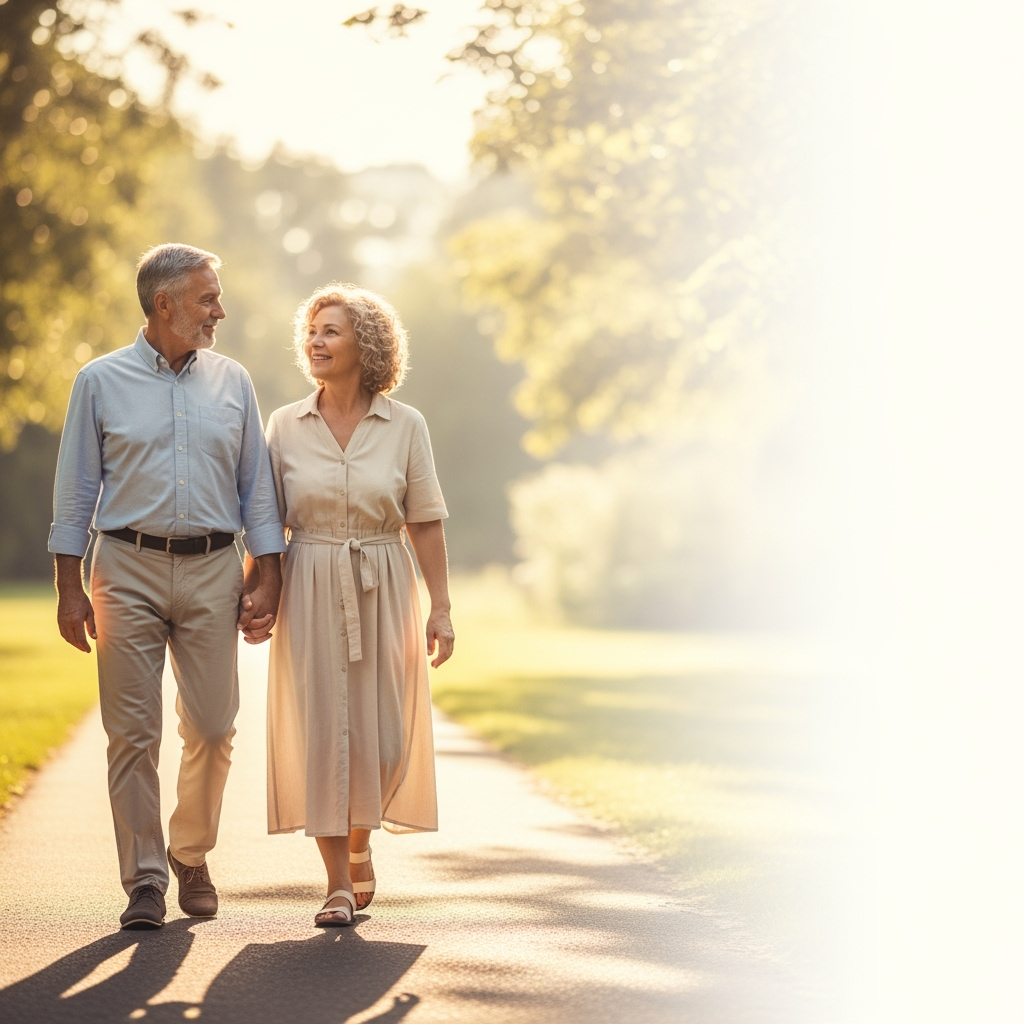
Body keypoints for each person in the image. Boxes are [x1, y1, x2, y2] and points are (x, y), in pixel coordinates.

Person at [49, 243, 286, 930]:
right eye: (208, 298)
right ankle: (146, 880)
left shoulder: (233, 380)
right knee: (132, 733)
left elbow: (256, 492)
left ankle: (190, 850)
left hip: (214, 567)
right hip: (125, 569)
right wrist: (71, 584)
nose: (220, 310)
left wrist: (267, 571)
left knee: (212, 728)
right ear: (165, 305)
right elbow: (76, 491)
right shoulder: (99, 381)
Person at [256, 282, 454, 926]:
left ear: (366, 344)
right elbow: (264, 521)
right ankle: (337, 883)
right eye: (312, 331)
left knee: (385, 736)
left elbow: (424, 520)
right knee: (322, 734)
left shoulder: (406, 425)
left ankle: (363, 841)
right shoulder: (284, 425)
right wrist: (261, 586)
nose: (316, 341)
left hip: (385, 581)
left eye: (331, 331)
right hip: (310, 581)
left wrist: (441, 607)